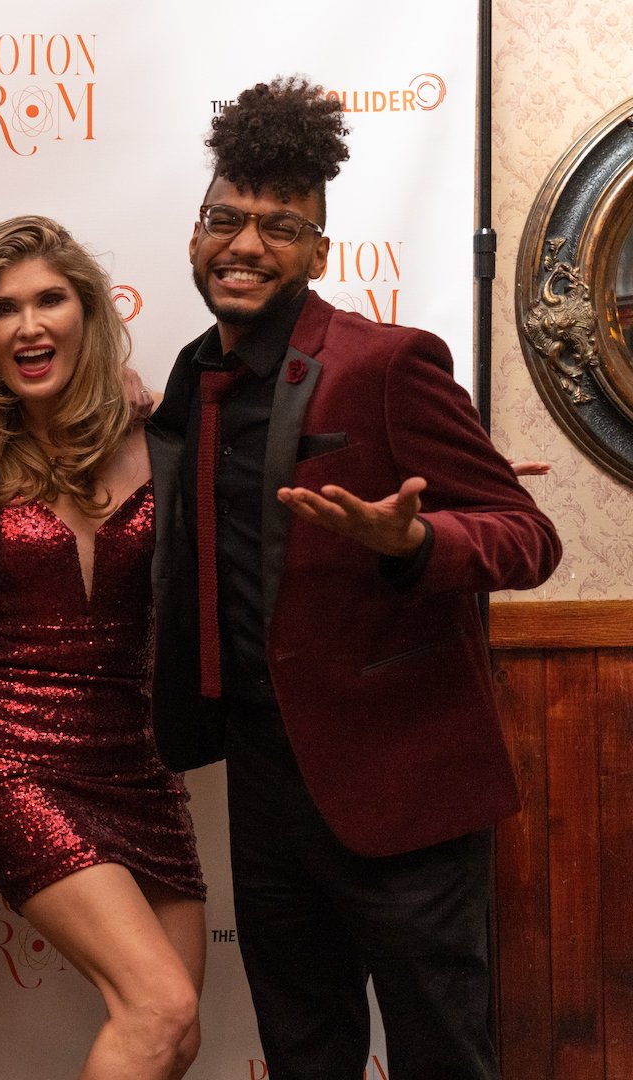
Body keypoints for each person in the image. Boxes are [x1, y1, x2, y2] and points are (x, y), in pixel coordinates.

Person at [146, 77, 560, 1080]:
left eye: (278, 228)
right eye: (224, 220)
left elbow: (526, 535)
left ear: (318, 253)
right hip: (264, 781)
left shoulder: (385, 364)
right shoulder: (192, 379)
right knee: (303, 1051)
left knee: (439, 1053)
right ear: (196, 234)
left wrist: (413, 549)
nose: (244, 244)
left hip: (401, 780)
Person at [0, 215, 207, 1079]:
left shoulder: (168, 439)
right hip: (11, 754)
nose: (29, 324)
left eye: (49, 300)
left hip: (141, 762)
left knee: (176, 1033)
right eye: (1, 309)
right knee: (159, 1006)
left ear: (87, 312)